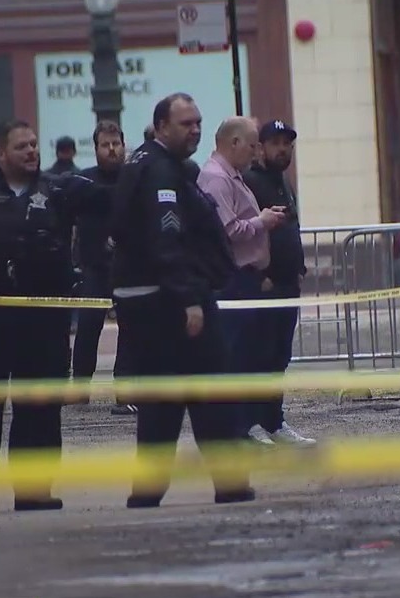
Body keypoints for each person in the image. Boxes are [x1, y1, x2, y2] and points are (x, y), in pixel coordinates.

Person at [111, 92, 255, 508]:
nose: (194, 130)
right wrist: (189, 299)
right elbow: (166, 239)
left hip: (153, 298)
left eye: (197, 122)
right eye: (185, 124)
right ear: (161, 128)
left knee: (163, 399)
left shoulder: (146, 163)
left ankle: (148, 491)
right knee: (209, 394)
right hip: (169, 303)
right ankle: (229, 484)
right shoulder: (160, 173)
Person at [0, 119, 109, 511]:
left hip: (45, 320)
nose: (31, 152)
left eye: (33, 145)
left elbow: (112, 200)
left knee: (40, 409)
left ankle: (34, 490)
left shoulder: (59, 190)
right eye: (21, 147)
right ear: (0, 153)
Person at [198, 117, 287, 446]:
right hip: (232, 279)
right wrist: (261, 222)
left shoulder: (230, 176)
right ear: (233, 143)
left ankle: (256, 423)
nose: (255, 152)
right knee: (237, 355)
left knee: (254, 352)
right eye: (251, 145)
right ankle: (240, 427)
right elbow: (227, 230)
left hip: (246, 276)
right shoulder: (216, 178)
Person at [242, 120, 316, 446]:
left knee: (278, 357)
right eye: (275, 143)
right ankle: (251, 422)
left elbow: (289, 228)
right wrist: (263, 276)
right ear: (260, 148)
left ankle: (274, 421)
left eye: (287, 143)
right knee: (258, 355)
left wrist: (297, 267)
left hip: (288, 285)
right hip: (265, 288)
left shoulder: (282, 181)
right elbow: (247, 234)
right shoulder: (250, 183)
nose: (283, 149)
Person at [70, 121, 136, 415]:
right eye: (105, 145)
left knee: (131, 330)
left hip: (128, 267)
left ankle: (124, 392)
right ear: (95, 148)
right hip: (95, 268)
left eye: (116, 144)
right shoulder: (83, 182)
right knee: (87, 329)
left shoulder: (134, 178)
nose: (111, 150)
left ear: (124, 145)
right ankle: (81, 387)